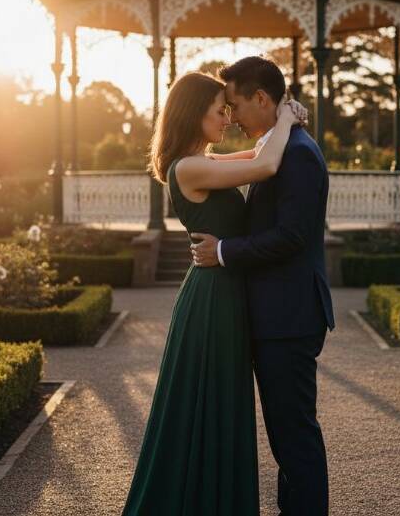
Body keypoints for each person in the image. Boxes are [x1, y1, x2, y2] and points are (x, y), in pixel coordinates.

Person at [121, 70, 307, 516]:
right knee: (208, 403)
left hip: (221, 290)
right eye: (218, 111)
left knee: (220, 402)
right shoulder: (188, 167)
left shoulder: (199, 159)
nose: (226, 119)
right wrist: (284, 119)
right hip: (212, 298)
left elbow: (256, 153)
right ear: (192, 115)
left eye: (228, 110)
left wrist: (284, 119)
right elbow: (265, 165)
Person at [191, 56, 335, 516]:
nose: (230, 117)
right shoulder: (281, 144)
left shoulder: (298, 154)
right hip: (277, 316)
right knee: (286, 440)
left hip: (289, 319)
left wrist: (223, 252)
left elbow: (292, 237)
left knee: (294, 439)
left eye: (234, 105)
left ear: (261, 98)